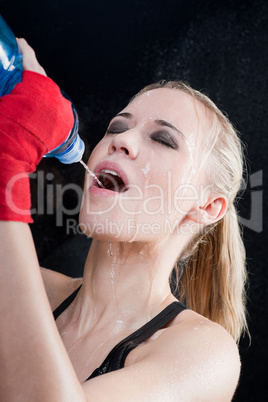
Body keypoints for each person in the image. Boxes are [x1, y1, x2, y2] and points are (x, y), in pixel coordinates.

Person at [0, 38, 247, 401]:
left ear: (207, 206)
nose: (123, 140)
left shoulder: (204, 355)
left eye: (163, 139)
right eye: (116, 127)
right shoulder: (32, 287)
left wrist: (9, 158)